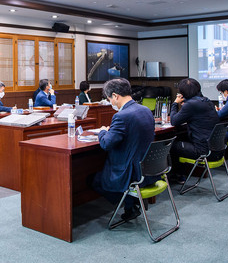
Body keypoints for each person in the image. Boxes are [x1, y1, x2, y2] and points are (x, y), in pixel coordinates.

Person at [89, 78, 155, 221]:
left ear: (115, 96)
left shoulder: (121, 116)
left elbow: (106, 144)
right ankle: (131, 204)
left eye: (109, 99)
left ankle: (129, 201)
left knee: (94, 180)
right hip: (149, 170)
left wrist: (102, 131)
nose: (111, 103)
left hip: (131, 173)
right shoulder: (145, 110)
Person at [170, 78, 220, 180]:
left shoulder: (191, 105)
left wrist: (175, 103)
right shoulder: (206, 101)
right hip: (216, 149)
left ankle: (178, 176)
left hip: (203, 151)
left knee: (171, 145)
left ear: (183, 93)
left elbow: (174, 121)